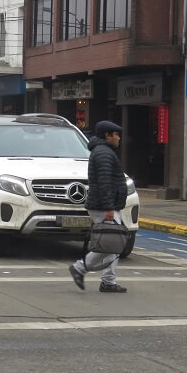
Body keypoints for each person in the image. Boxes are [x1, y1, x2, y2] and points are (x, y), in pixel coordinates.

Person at [69, 120, 128, 293]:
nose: (118, 138)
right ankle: (80, 268)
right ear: (107, 135)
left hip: (105, 205)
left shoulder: (104, 151)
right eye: (116, 134)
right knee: (111, 243)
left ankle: (108, 281)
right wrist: (109, 207)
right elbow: (104, 182)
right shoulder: (104, 153)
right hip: (104, 207)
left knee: (112, 243)